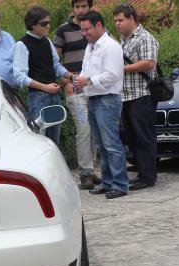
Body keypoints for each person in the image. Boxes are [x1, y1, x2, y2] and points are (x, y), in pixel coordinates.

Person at [73, 11, 128, 199]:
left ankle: (120, 184)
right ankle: (107, 183)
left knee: (111, 144)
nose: (84, 33)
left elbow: (113, 74)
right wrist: (80, 80)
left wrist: (87, 80)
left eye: (87, 29)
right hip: (94, 98)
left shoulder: (110, 46)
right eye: (82, 30)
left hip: (107, 99)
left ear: (98, 25)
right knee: (101, 145)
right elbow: (85, 70)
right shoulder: (91, 47)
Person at [54, 0, 100, 190]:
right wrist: (66, 82)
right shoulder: (62, 30)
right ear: (72, 8)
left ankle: (92, 170)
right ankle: (85, 174)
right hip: (75, 91)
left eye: (84, 6)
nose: (80, 10)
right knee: (83, 129)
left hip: (94, 89)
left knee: (94, 131)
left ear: (90, 7)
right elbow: (54, 61)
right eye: (77, 6)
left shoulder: (96, 28)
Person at [114, 3, 159, 191]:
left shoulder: (144, 37)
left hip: (142, 94)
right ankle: (142, 173)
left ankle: (148, 177)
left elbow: (149, 63)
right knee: (132, 138)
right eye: (115, 20)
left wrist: (122, 69)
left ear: (131, 18)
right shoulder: (122, 39)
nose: (117, 24)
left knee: (144, 137)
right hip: (126, 96)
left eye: (120, 20)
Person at [13, 6, 71, 145]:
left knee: (54, 142)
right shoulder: (22, 44)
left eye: (49, 22)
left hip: (54, 95)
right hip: (38, 98)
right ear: (33, 24)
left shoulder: (47, 41)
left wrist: (69, 75)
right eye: (44, 24)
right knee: (38, 141)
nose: (48, 26)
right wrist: (45, 87)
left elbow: (55, 65)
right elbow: (19, 76)